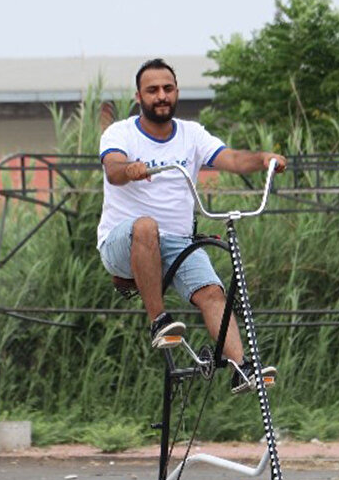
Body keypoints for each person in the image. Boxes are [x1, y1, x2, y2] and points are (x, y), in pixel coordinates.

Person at [97, 58, 286, 395]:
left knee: (213, 293)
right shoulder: (120, 133)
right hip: (123, 242)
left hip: (178, 243)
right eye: (152, 90)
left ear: (177, 92)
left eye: (167, 89)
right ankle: (159, 322)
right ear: (139, 97)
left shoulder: (191, 134)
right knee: (145, 226)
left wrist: (263, 159)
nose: (161, 96)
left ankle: (241, 368)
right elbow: (113, 168)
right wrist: (130, 170)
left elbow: (231, 159)